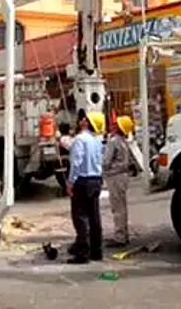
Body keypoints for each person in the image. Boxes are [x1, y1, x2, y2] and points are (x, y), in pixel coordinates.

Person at [66, 109, 105, 263]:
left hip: (82, 181)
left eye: (84, 119)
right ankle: (97, 251)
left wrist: (70, 182)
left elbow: (76, 162)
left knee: (80, 217)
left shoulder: (80, 140)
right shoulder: (97, 140)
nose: (81, 120)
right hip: (96, 180)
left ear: (88, 123)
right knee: (95, 217)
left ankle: (82, 253)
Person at [103, 115, 134, 247]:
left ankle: (120, 237)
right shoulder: (124, 141)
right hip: (123, 176)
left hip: (115, 176)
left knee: (117, 208)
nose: (112, 125)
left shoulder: (113, 141)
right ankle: (124, 234)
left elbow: (106, 162)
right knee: (122, 207)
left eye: (116, 124)